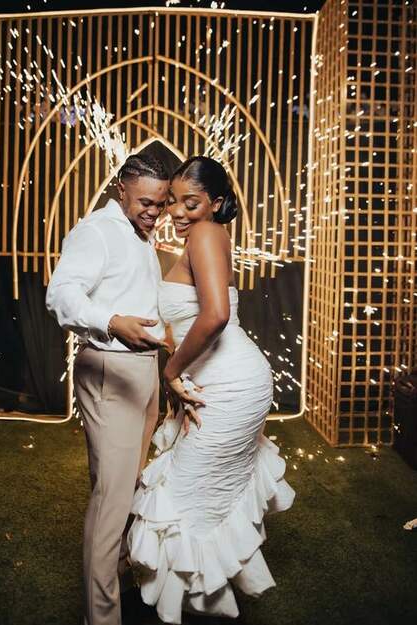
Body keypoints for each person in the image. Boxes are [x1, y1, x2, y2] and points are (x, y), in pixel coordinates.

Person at [128, 156, 296, 623]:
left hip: (229, 384)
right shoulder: (209, 235)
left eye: (192, 202)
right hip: (220, 381)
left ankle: (192, 603)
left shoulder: (205, 233)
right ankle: (194, 603)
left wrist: (171, 372)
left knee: (186, 495)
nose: (178, 212)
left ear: (216, 202)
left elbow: (216, 315)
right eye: (174, 202)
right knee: (198, 493)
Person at [45, 153, 184, 625]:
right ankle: (100, 619)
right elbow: (61, 295)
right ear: (121, 188)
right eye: (146, 200)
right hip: (110, 366)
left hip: (142, 370)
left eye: (162, 203)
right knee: (112, 500)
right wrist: (110, 321)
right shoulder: (97, 231)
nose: (154, 210)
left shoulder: (138, 233)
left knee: (125, 488)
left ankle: (122, 582)